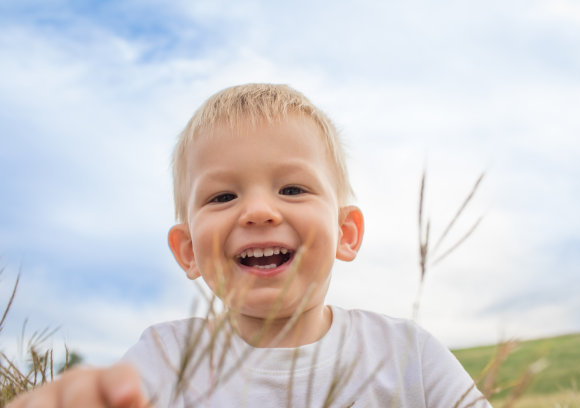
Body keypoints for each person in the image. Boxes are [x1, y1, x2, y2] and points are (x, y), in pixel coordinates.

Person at [8, 84, 491, 408]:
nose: (258, 211)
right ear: (189, 251)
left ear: (346, 233)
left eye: (293, 189)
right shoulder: (166, 358)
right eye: (223, 196)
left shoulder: (407, 354)